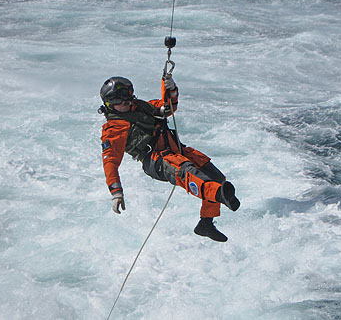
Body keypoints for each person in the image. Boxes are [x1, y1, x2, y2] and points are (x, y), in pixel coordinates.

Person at [98, 76, 240, 242]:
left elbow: (168, 107)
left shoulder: (143, 107)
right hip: (156, 160)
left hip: (176, 150)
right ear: (108, 104)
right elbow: (110, 162)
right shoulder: (113, 129)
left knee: (216, 177)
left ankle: (206, 223)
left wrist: (170, 87)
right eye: (117, 101)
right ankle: (218, 194)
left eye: (126, 98)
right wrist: (116, 192)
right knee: (186, 171)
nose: (123, 103)